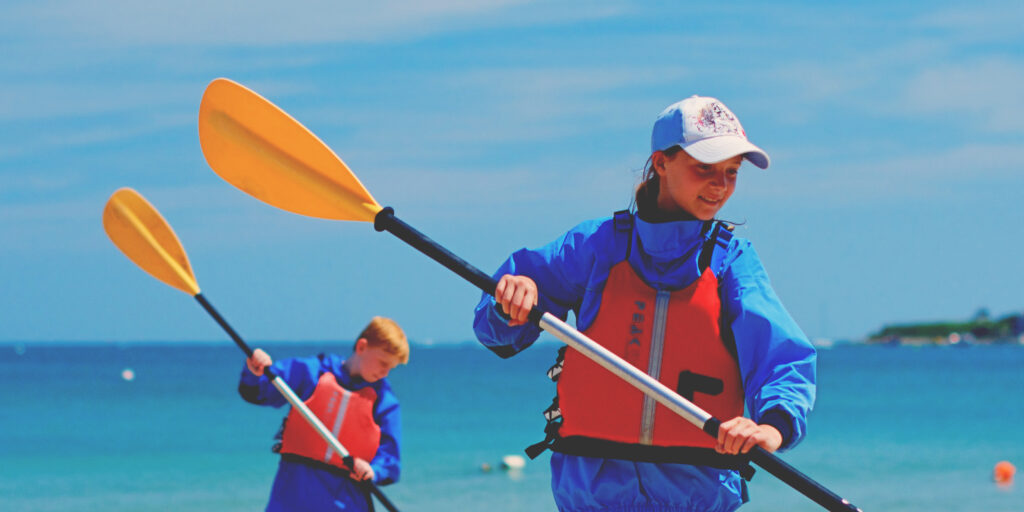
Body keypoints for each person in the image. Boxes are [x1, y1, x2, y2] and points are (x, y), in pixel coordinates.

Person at [472, 95, 816, 512]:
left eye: (731, 172)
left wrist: (772, 428)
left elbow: (782, 358)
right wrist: (510, 298)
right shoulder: (596, 246)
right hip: (592, 494)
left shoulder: (732, 262)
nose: (720, 185)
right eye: (704, 168)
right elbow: (496, 329)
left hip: (696, 493)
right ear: (661, 163)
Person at [239, 316, 408, 512]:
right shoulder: (311, 372)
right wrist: (255, 370)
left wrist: (374, 471)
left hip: (346, 501)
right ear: (362, 347)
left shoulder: (384, 402)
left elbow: (390, 461)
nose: (385, 372)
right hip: (293, 495)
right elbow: (257, 391)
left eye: (391, 368)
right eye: (383, 363)